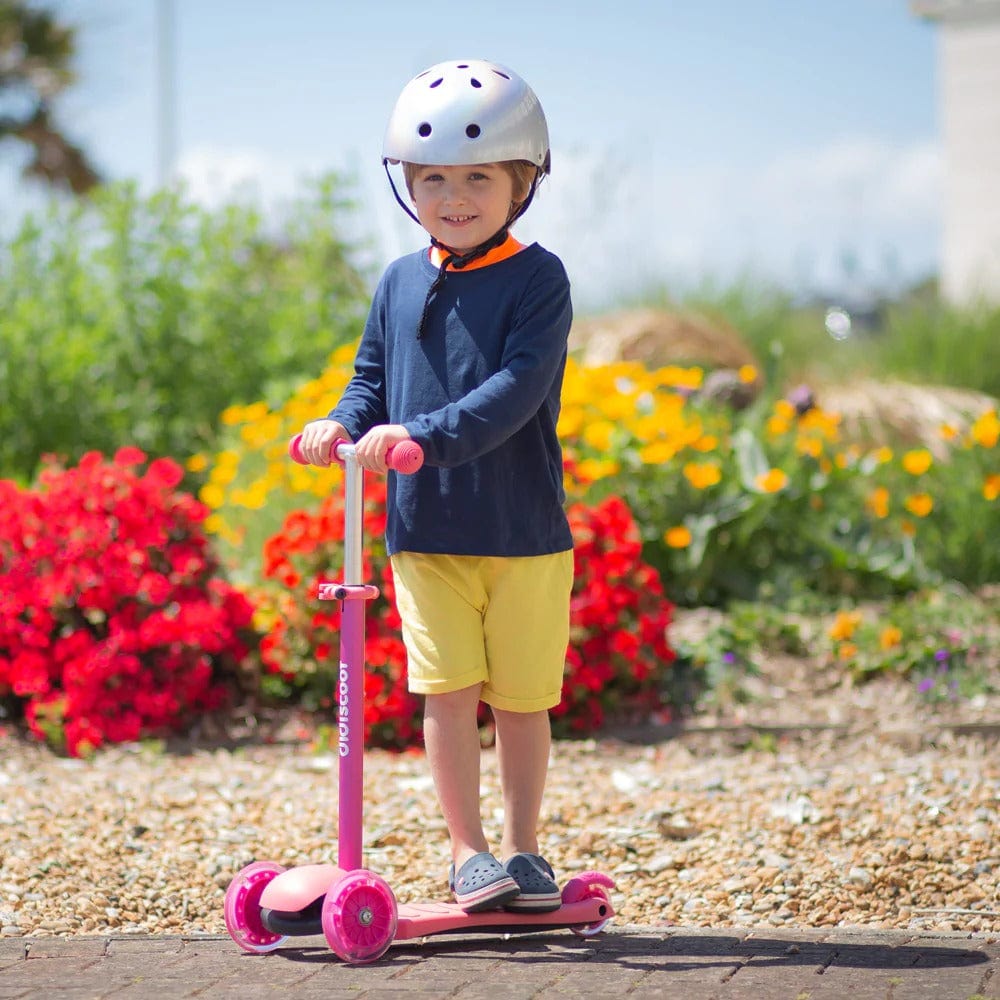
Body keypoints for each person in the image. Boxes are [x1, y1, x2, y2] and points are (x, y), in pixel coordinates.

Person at [295, 58, 573, 915]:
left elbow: (516, 391)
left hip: (524, 533)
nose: (455, 197)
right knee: (446, 695)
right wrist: (342, 423)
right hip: (425, 535)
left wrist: (422, 437)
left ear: (521, 183)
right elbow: (371, 377)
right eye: (434, 179)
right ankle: (469, 853)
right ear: (407, 184)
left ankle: (524, 850)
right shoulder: (397, 280)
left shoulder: (538, 280)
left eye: (478, 177)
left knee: (522, 704)